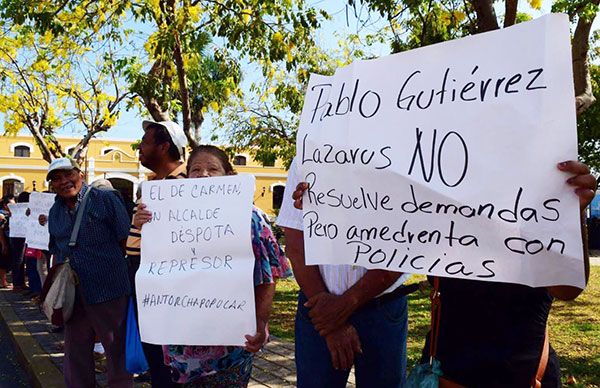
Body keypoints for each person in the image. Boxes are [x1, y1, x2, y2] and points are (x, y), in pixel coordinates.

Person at [416, 161, 596, 387]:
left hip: (524, 375)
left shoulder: (540, 195)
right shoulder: (440, 193)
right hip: (448, 374)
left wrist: (572, 215)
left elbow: (569, 288)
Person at [133, 145, 291, 387]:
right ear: (187, 178)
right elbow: (156, 265)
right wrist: (145, 225)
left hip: (231, 343)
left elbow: (267, 276)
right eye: (195, 169)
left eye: (212, 169)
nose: (203, 175)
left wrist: (260, 322)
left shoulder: (250, 217)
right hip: (180, 342)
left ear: (228, 176)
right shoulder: (167, 215)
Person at [278, 158, 411, 388]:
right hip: (317, 308)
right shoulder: (307, 156)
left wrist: (344, 305)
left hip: (382, 308)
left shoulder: (405, 156)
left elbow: (408, 242)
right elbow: (295, 243)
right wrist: (331, 321)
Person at [46, 157, 133, 388]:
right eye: (56, 178)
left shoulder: (105, 199)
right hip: (73, 293)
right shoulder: (55, 210)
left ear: (80, 173)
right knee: (75, 349)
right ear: (52, 185)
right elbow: (55, 247)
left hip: (108, 287)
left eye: (68, 174)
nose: (64, 181)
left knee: (116, 349)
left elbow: (125, 238)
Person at [125, 119, 188, 386]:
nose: (139, 148)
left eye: (144, 143)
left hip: (170, 285)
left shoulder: (190, 183)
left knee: (173, 359)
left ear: (164, 146)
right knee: (155, 354)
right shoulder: (153, 185)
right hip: (143, 278)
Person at [0, 195, 14, 288]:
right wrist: (3, 244)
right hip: (2, 240)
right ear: (5, 205)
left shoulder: (10, 213)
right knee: (2, 261)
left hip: (8, 240)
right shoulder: (1, 215)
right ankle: (3, 282)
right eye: (11, 204)